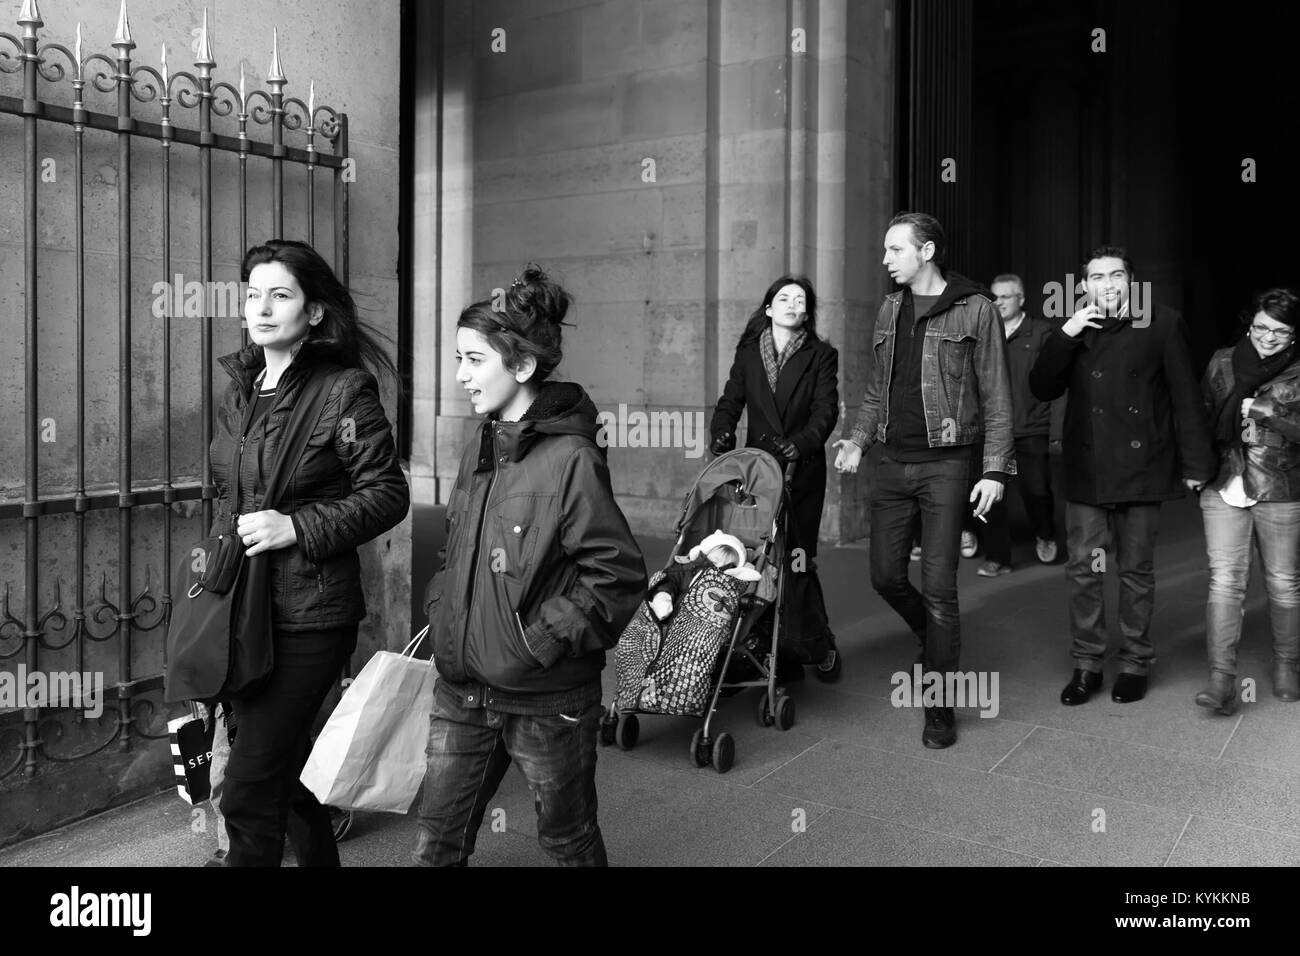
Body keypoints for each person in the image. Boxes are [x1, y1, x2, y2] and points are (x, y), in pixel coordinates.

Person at [413, 265, 647, 867]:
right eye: (458, 358)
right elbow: (456, 548)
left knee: (566, 840)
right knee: (436, 843)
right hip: (462, 688)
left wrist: (537, 641)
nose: (460, 376)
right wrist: (444, 609)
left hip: (546, 699)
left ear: (520, 367)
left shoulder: (572, 458)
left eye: (473, 360)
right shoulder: (481, 443)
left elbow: (615, 577)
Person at [215, 239, 410, 866]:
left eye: (281, 294)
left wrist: (295, 527)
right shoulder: (243, 388)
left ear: (315, 310)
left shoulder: (343, 391)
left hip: (310, 615)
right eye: (253, 294)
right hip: (244, 609)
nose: (262, 308)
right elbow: (230, 495)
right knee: (285, 769)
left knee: (246, 790)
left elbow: (386, 494)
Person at [833, 212, 1015, 750]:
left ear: (927, 251)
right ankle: (931, 637)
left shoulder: (975, 309)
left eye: (894, 249)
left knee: (940, 587)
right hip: (891, 461)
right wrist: (857, 441)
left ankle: (939, 703)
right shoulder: (889, 308)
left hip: (947, 464)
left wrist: (995, 469)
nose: (885, 259)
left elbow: (997, 395)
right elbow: (874, 392)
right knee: (885, 576)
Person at [1028, 245, 1215, 706]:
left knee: (1136, 572)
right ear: (1084, 285)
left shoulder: (1162, 323)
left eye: (1115, 276)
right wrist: (1066, 336)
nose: (1106, 285)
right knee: (1083, 572)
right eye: (1096, 277)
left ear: (1130, 282)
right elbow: (1040, 387)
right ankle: (1087, 663)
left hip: (1142, 468)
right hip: (1087, 471)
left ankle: (1134, 663)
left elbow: (1184, 398)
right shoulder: (1071, 329)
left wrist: (1195, 465)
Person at [710, 275, 842, 681]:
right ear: (768, 308)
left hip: (801, 470)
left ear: (806, 313)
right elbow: (731, 400)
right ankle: (762, 646)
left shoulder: (821, 354)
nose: (791, 304)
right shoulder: (749, 352)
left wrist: (801, 443)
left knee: (797, 559)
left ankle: (814, 644)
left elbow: (826, 410)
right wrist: (721, 430)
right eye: (782, 298)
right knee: (755, 557)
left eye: (799, 300)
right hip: (758, 472)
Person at [1195, 288, 1300, 713]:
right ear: (1249, 324)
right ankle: (1221, 680)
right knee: (1225, 581)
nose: (1268, 337)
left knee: (1283, 582)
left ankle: (1287, 666)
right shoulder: (1222, 360)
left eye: (1280, 331)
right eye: (1261, 327)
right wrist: (1193, 468)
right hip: (1223, 481)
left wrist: (1267, 412)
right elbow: (1201, 414)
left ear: (1294, 334)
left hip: (1281, 486)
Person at [976, 273, 1059, 577]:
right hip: (991, 428)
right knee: (991, 496)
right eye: (994, 297)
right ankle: (998, 558)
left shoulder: (1040, 333)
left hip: (1030, 425)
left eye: (1005, 297)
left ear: (1021, 299)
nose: (998, 302)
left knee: (1037, 490)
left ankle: (1046, 533)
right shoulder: (983, 333)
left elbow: (1055, 380)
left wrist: (1054, 426)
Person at [648, 530, 762, 622]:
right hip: (676, 607)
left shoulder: (729, 579)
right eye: (714, 562)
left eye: (726, 566)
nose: (716, 569)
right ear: (705, 554)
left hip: (703, 617)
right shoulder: (690, 567)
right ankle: (662, 602)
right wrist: (664, 594)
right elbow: (672, 577)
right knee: (665, 582)